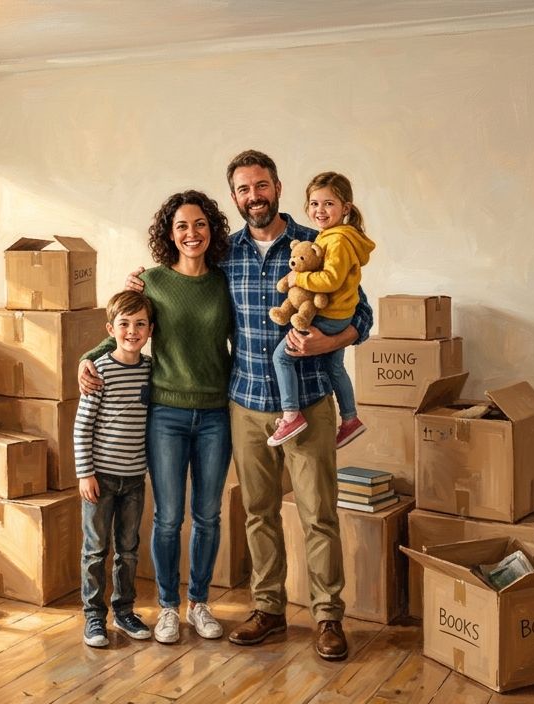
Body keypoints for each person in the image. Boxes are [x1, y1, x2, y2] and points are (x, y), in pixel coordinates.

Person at [121, 151, 373, 661]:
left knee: (318, 513)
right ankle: (269, 609)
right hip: (245, 404)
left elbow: (361, 316)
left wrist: (327, 345)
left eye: (261, 186)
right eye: (242, 190)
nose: (253, 197)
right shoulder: (225, 255)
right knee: (258, 513)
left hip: (308, 401)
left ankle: (327, 617)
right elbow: (175, 289)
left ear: (277, 187)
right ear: (234, 198)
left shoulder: (317, 243)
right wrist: (134, 290)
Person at [78, 190, 234, 645]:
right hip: (165, 413)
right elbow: (125, 329)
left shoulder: (224, 284)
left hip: (215, 415)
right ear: (170, 233)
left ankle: (198, 602)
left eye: (200, 224)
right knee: (168, 518)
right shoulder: (151, 282)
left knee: (207, 515)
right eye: (182, 226)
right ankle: (167, 607)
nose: (192, 233)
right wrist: (88, 357)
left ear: (212, 230)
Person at [266, 172, 376, 448]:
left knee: (282, 357)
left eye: (328, 204)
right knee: (334, 366)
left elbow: (330, 280)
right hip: (339, 313)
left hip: (331, 316)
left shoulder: (337, 241)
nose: (320, 210)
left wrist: (297, 279)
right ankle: (350, 419)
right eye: (314, 204)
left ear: (345, 208)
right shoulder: (329, 237)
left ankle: (291, 414)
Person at [74, 290, 156, 647]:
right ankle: (94, 617)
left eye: (140, 324)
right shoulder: (99, 370)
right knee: (95, 550)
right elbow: (82, 425)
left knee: (128, 548)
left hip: (135, 479)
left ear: (150, 330)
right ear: (111, 328)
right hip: (100, 479)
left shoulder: (152, 371)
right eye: (124, 324)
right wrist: (84, 473)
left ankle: (124, 610)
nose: (132, 331)